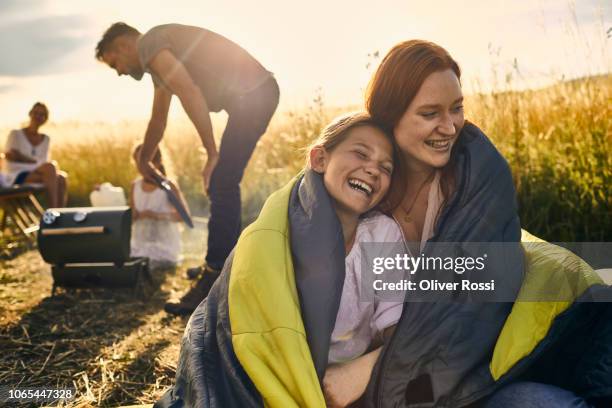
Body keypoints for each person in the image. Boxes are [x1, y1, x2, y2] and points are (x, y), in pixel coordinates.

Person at [361, 39, 602, 407]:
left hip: (504, 360)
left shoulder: (478, 180)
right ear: (390, 115)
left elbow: (470, 315)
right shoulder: (366, 186)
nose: (450, 126)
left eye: (457, 108)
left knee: (530, 402)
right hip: (430, 381)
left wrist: (370, 369)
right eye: (430, 113)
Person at [95, 22, 280, 315]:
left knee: (222, 181)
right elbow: (159, 118)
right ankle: (223, 265)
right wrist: (145, 156)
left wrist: (211, 152)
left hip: (255, 94)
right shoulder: (157, 58)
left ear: (121, 46)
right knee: (224, 182)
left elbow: (189, 92)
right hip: (254, 95)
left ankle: (215, 273)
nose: (119, 71)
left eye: (114, 63)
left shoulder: (151, 44)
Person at [129, 144, 187, 270]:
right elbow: (132, 215)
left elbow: (183, 216)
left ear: (156, 162)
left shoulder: (168, 186)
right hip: (140, 241)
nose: (140, 167)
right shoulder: (135, 186)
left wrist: (154, 215)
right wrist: (134, 216)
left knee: (151, 263)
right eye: (137, 163)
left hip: (164, 243)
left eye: (143, 163)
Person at [3, 102, 68, 207]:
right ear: (30, 113)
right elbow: (10, 156)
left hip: (39, 173)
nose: (38, 116)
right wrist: (32, 161)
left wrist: (24, 158)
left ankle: (61, 215)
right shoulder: (16, 134)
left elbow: (44, 162)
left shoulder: (46, 139)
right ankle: (53, 213)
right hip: (17, 175)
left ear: (45, 119)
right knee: (51, 167)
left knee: (61, 177)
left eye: (42, 114)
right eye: (36, 113)